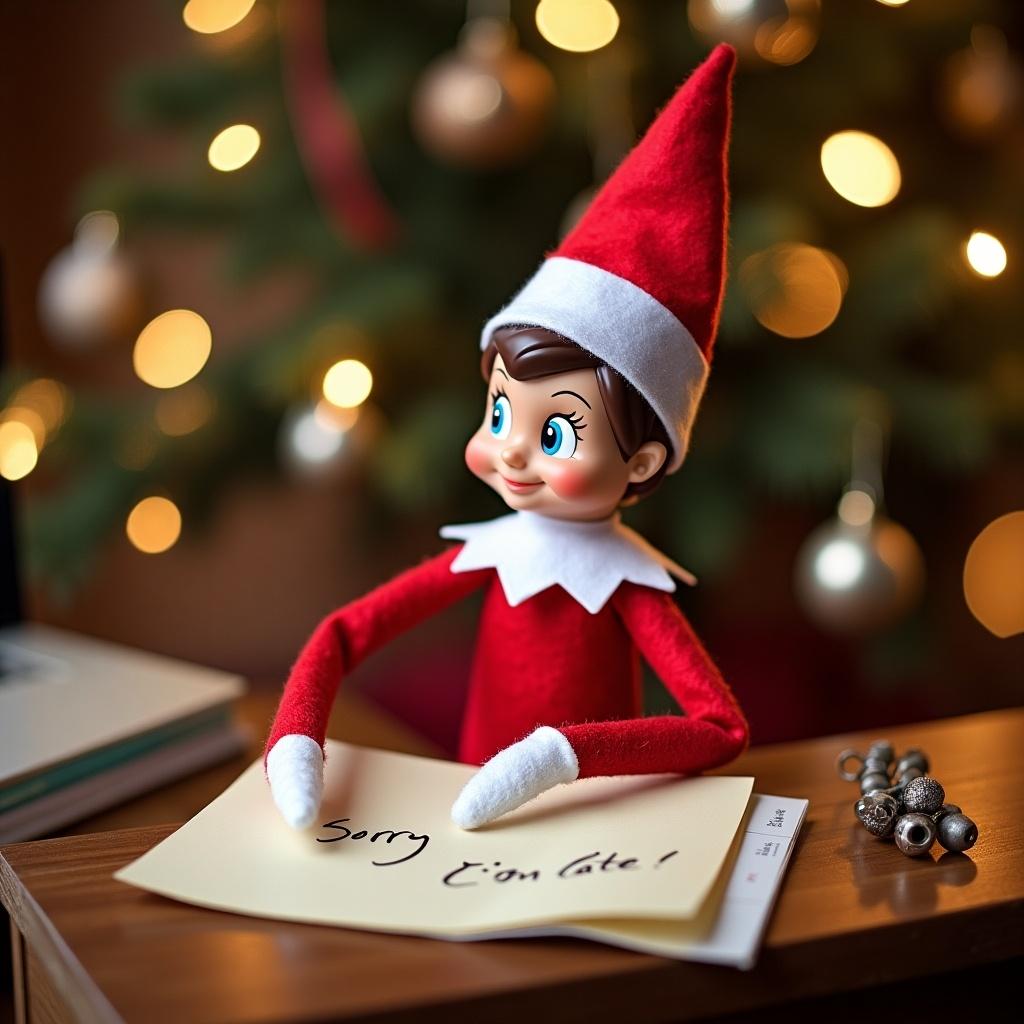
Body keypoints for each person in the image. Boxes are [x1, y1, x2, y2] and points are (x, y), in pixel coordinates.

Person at [264, 43, 749, 831]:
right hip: (464, 831)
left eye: (555, 430)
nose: (511, 450)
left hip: (595, 833)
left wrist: (560, 755)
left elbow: (720, 730)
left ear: (645, 459)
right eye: (498, 414)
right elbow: (343, 633)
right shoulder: (490, 554)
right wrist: (295, 738)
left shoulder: (623, 587)